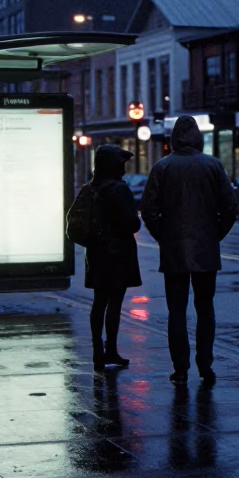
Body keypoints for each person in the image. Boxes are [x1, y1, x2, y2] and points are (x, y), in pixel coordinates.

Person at [139, 115, 237, 386]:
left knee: (177, 311)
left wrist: (164, 236)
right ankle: (205, 366)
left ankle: (180, 368)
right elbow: (229, 208)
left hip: (174, 252)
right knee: (205, 308)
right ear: (197, 137)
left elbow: (148, 210)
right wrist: (214, 235)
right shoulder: (213, 166)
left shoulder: (162, 167)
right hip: (206, 251)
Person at [83, 144, 142, 368]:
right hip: (117, 253)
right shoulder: (118, 189)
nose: (124, 168)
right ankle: (111, 350)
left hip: (96, 251)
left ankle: (98, 350)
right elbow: (132, 223)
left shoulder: (92, 187)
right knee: (114, 303)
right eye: (121, 163)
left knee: (99, 302)